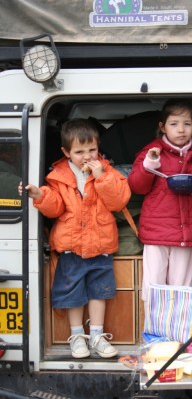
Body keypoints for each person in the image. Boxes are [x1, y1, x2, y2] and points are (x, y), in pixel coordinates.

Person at [18, 118, 131, 359]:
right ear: (66, 152)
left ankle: (98, 336)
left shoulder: (108, 171)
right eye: (79, 151)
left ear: (98, 148)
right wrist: (39, 195)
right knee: (73, 294)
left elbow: (118, 201)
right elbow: (56, 207)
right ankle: (78, 336)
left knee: (100, 292)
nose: (87, 156)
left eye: (92, 150)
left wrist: (101, 176)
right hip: (71, 248)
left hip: (101, 246)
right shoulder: (58, 176)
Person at [128, 99, 192, 301]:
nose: (181, 130)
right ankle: (154, 331)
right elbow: (137, 186)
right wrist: (151, 164)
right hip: (156, 232)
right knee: (154, 288)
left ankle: (180, 333)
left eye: (187, 124)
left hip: (187, 233)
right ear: (162, 127)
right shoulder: (150, 152)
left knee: (182, 289)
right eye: (174, 124)